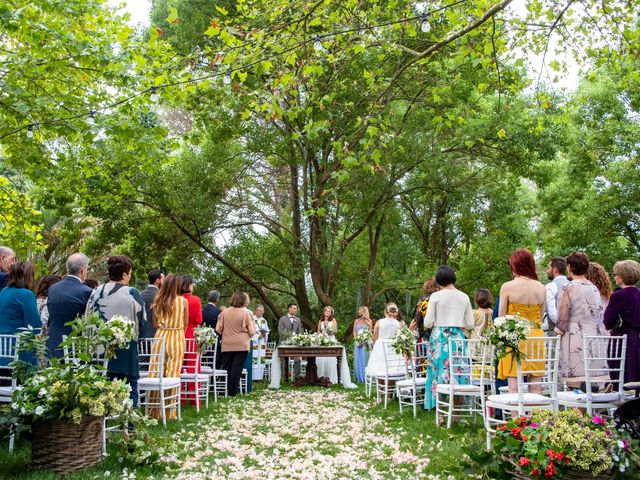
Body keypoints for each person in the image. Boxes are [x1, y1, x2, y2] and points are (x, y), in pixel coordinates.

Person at [85, 255, 146, 407]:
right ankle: (130, 424)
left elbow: (87, 318)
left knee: (101, 384)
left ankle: (101, 420)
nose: (130, 276)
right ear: (124, 274)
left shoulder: (95, 292)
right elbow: (141, 323)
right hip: (125, 350)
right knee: (131, 385)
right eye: (130, 273)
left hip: (99, 350)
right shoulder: (131, 292)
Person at [423, 265, 474, 410]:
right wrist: (457, 323)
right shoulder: (464, 297)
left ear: (438, 280)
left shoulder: (435, 296)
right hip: (457, 337)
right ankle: (457, 409)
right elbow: (470, 324)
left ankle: (440, 409)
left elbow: (427, 322)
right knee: (457, 370)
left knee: (438, 370)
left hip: (439, 336)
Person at [497, 249, 547, 394]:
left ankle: (517, 417)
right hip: (536, 337)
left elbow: (502, 317)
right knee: (536, 384)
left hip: (515, 335)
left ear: (515, 266)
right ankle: (534, 417)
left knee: (514, 385)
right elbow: (541, 314)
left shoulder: (507, 287)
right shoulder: (542, 288)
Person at [555, 252, 607, 384]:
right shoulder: (594, 288)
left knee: (576, 379)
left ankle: (578, 398)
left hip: (575, 336)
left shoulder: (569, 287)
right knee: (591, 376)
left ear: (569, 267)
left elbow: (563, 316)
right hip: (595, 336)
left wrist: (558, 332)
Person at [149, 274, 188, 419]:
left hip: (160, 337)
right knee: (173, 373)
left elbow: (154, 324)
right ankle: (170, 411)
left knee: (155, 372)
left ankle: (153, 412)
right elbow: (185, 324)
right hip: (176, 336)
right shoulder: (183, 302)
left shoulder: (158, 300)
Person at [46, 253, 93, 358]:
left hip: (52, 341)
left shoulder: (53, 289)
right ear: (82, 271)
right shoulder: (86, 292)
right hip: (74, 345)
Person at [603, 260, 640, 383]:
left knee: (620, 375)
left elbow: (607, 321)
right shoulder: (638, 294)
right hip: (637, 338)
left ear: (622, 276)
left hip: (621, 339)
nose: (614, 277)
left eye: (615, 274)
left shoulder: (618, 295)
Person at [0, 262, 41, 368]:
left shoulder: (3, 291)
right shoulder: (26, 294)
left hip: (2, 346)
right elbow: (34, 325)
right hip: (18, 349)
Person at [216, 291, 256, 396]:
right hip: (241, 344)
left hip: (227, 343)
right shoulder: (247, 313)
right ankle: (232, 392)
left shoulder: (224, 312)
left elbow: (218, 329)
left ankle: (221, 390)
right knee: (236, 368)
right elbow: (252, 332)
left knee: (226, 367)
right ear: (244, 300)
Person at [181, 275, 203, 399]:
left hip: (179, 334)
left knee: (179, 366)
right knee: (193, 367)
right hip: (191, 334)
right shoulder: (196, 300)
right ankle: (194, 397)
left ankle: (180, 397)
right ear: (188, 285)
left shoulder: (176, 299)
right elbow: (199, 319)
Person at [365, 303, 401, 378]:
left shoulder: (379, 322)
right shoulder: (398, 324)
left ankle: (381, 388)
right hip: (393, 351)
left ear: (385, 311)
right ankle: (390, 388)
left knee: (380, 371)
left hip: (380, 350)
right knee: (393, 371)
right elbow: (399, 338)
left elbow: (374, 338)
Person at [544, 256, 569, 336]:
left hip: (555, 335)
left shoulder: (550, 286)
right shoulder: (572, 284)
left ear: (555, 270)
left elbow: (552, 314)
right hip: (572, 334)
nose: (547, 271)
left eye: (548, 268)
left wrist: (562, 326)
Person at [278, 303, 301, 378]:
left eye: (296, 308)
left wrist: (297, 339)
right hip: (284, 344)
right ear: (289, 309)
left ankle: (297, 377)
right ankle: (284, 378)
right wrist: (290, 337)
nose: (296, 310)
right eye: (294, 308)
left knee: (298, 360)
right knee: (285, 360)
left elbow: (299, 333)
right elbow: (280, 332)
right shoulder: (282, 319)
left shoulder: (298, 320)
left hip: (295, 345)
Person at [316, 306, 339, 383]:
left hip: (330, 341)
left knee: (330, 358)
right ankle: (321, 377)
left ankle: (330, 377)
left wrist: (331, 332)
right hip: (322, 340)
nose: (327, 312)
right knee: (321, 358)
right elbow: (318, 331)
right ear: (324, 312)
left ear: (331, 313)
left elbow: (335, 331)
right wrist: (321, 336)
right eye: (326, 311)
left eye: (329, 311)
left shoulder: (333, 320)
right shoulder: (321, 321)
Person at [202, 290, 222, 367]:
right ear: (217, 300)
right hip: (215, 341)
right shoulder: (219, 312)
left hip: (202, 340)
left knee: (201, 361)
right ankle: (213, 378)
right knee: (213, 362)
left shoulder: (202, 310)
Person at [353, 306, 373, 383]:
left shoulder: (369, 321)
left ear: (363, 312)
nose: (358, 312)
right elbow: (354, 332)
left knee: (365, 359)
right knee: (358, 360)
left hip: (365, 343)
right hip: (357, 343)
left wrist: (364, 339)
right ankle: (358, 377)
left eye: (359, 310)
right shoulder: (356, 321)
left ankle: (366, 377)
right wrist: (356, 339)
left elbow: (370, 333)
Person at [141, 269, 164, 338]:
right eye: (163, 279)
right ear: (157, 281)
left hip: (142, 335)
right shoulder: (161, 295)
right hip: (156, 335)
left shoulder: (141, 294)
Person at [252, 304, 270, 380]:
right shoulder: (252, 319)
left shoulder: (264, 320)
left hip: (262, 342)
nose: (261, 312)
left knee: (261, 358)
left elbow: (267, 330)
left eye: (262, 311)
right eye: (259, 310)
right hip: (254, 342)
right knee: (254, 358)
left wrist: (264, 334)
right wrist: (257, 336)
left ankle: (260, 377)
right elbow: (250, 330)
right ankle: (253, 377)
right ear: (256, 311)